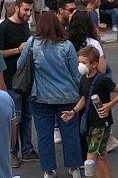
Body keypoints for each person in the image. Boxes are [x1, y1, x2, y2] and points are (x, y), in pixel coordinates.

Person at [21, 10, 85, 177]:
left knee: (44, 135)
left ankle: (49, 170)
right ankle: (74, 167)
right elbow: (76, 74)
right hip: (67, 96)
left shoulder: (32, 43)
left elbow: (21, 65)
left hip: (40, 97)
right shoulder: (67, 45)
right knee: (70, 132)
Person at [61, 46, 118, 178]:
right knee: (101, 156)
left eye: (84, 63)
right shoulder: (83, 79)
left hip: (102, 124)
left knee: (91, 158)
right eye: (80, 62)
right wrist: (73, 112)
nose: (81, 65)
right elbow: (84, 98)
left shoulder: (102, 80)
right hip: (91, 123)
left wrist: (109, 105)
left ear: (94, 64)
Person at [0, 0, 38, 166]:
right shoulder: (4, 27)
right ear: (16, 8)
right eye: (25, 10)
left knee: (27, 116)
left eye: (30, 10)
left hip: (26, 81)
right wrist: (18, 49)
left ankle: (27, 150)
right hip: (10, 80)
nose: (28, 13)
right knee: (14, 119)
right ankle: (12, 152)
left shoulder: (24, 25)